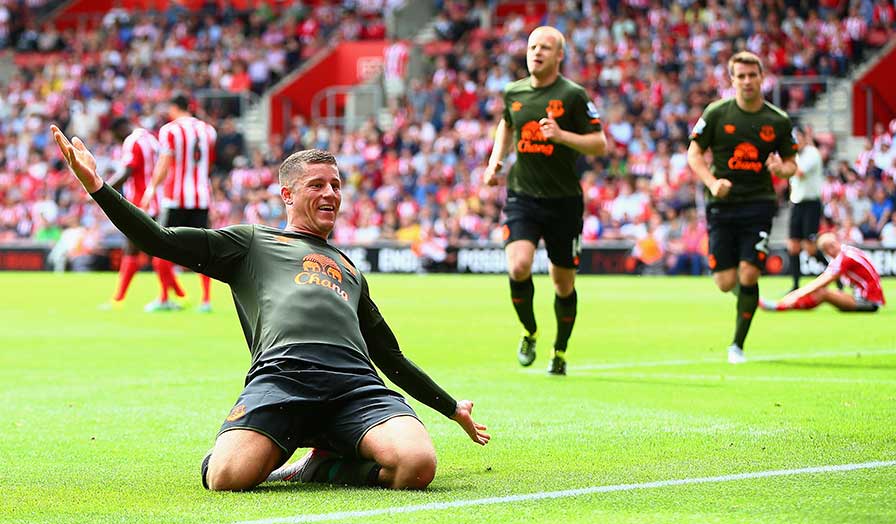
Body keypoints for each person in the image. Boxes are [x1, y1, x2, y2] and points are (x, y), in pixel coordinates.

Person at [52, 126, 490, 492]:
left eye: (336, 185)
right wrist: (98, 188)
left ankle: (321, 467)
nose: (330, 193)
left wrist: (452, 408)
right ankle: (276, 448)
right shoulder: (251, 242)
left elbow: (389, 356)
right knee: (225, 478)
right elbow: (158, 240)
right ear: (287, 194)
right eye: (317, 185)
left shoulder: (350, 268)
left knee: (417, 466)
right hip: (282, 378)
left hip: (355, 385)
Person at [483, 25, 606, 375]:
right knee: (518, 266)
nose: (537, 52)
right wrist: (495, 161)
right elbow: (507, 124)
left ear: (559, 55)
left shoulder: (573, 95)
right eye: (532, 46)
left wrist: (562, 135)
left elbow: (600, 144)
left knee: (563, 283)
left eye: (545, 48)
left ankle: (560, 350)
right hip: (523, 195)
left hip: (564, 202)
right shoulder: (514, 91)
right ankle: (530, 331)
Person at [687, 51, 798, 364]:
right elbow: (694, 154)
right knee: (725, 283)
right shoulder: (716, 113)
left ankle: (737, 345)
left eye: (752, 75)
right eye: (741, 76)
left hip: (758, 204)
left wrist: (781, 169)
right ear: (732, 80)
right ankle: (749, 299)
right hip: (721, 205)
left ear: (762, 78)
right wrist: (712, 183)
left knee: (749, 273)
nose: (747, 81)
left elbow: (792, 164)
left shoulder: (777, 120)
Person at [141, 93, 217, 312]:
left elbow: (164, 163)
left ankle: (165, 298)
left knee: (160, 246)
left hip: (175, 198)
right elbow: (209, 164)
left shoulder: (170, 130)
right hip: (201, 197)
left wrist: (151, 189)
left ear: (174, 108)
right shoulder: (208, 130)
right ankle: (206, 300)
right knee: (203, 250)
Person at [101, 117, 176, 310]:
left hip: (141, 203)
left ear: (119, 130)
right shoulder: (151, 139)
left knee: (133, 248)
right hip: (159, 201)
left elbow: (126, 171)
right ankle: (176, 295)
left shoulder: (132, 141)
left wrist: (101, 189)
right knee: (159, 248)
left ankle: (120, 299)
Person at [760, 232, 885, 312]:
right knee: (825, 292)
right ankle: (784, 304)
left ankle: (782, 306)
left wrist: (796, 294)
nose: (831, 250)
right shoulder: (848, 251)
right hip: (867, 298)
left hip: (867, 302)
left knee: (823, 293)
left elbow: (822, 282)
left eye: (832, 246)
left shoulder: (844, 258)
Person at [787, 125, 826, 291]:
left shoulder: (812, 153)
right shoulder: (794, 156)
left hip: (810, 203)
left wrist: (783, 165)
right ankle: (795, 286)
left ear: (804, 137)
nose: (796, 141)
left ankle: (834, 275)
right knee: (793, 245)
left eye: (798, 137)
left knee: (810, 248)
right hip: (796, 203)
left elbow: (799, 172)